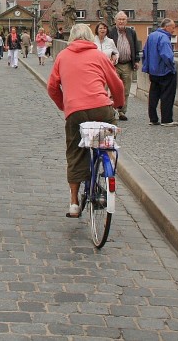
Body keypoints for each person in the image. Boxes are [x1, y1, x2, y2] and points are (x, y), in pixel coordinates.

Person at [47, 23, 126, 218]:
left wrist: (65, 107)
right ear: (90, 37)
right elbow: (117, 84)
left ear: (71, 38)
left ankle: (74, 203)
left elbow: (52, 88)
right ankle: (108, 168)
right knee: (107, 140)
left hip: (76, 111)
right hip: (101, 107)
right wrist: (118, 103)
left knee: (75, 152)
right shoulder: (99, 55)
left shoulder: (62, 56)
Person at [142, 18, 178, 127]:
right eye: (172, 27)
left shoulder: (152, 36)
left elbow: (145, 52)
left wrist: (147, 67)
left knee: (154, 95)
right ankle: (166, 120)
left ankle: (153, 118)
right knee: (167, 96)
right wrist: (172, 68)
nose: (173, 30)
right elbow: (167, 55)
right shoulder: (164, 38)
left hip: (153, 71)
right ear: (166, 27)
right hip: (164, 71)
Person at [107, 12, 140, 122]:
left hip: (127, 64)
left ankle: (122, 111)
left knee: (126, 90)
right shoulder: (111, 32)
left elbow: (135, 46)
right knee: (114, 89)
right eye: (119, 19)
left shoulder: (131, 32)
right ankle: (111, 111)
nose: (121, 21)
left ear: (126, 21)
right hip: (114, 65)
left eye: (123, 19)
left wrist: (136, 60)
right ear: (115, 20)